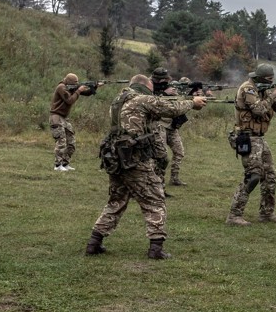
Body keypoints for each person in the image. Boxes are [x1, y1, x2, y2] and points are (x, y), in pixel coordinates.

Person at [84, 74, 207, 259]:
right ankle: (156, 248)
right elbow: (170, 108)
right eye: (150, 87)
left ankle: (94, 243)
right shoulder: (141, 100)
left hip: (117, 158)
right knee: (155, 201)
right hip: (135, 159)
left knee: (116, 201)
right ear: (143, 86)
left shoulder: (119, 100)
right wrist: (192, 102)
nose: (152, 90)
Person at [227, 63, 276, 226]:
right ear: (260, 78)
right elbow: (258, 110)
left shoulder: (263, 90)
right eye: (269, 80)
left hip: (259, 138)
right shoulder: (248, 89)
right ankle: (234, 215)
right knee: (253, 176)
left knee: (270, 176)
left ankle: (267, 213)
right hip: (246, 136)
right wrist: (273, 95)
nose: (271, 82)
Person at [49, 73, 91, 171]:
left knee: (71, 142)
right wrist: (78, 91)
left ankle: (65, 163)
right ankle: (57, 165)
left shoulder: (71, 88)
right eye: (75, 83)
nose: (77, 84)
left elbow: (86, 93)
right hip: (56, 116)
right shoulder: (61, 87)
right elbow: (69, 100)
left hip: (64, 118)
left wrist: (95, 87)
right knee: (61, 141)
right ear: (69, 82)